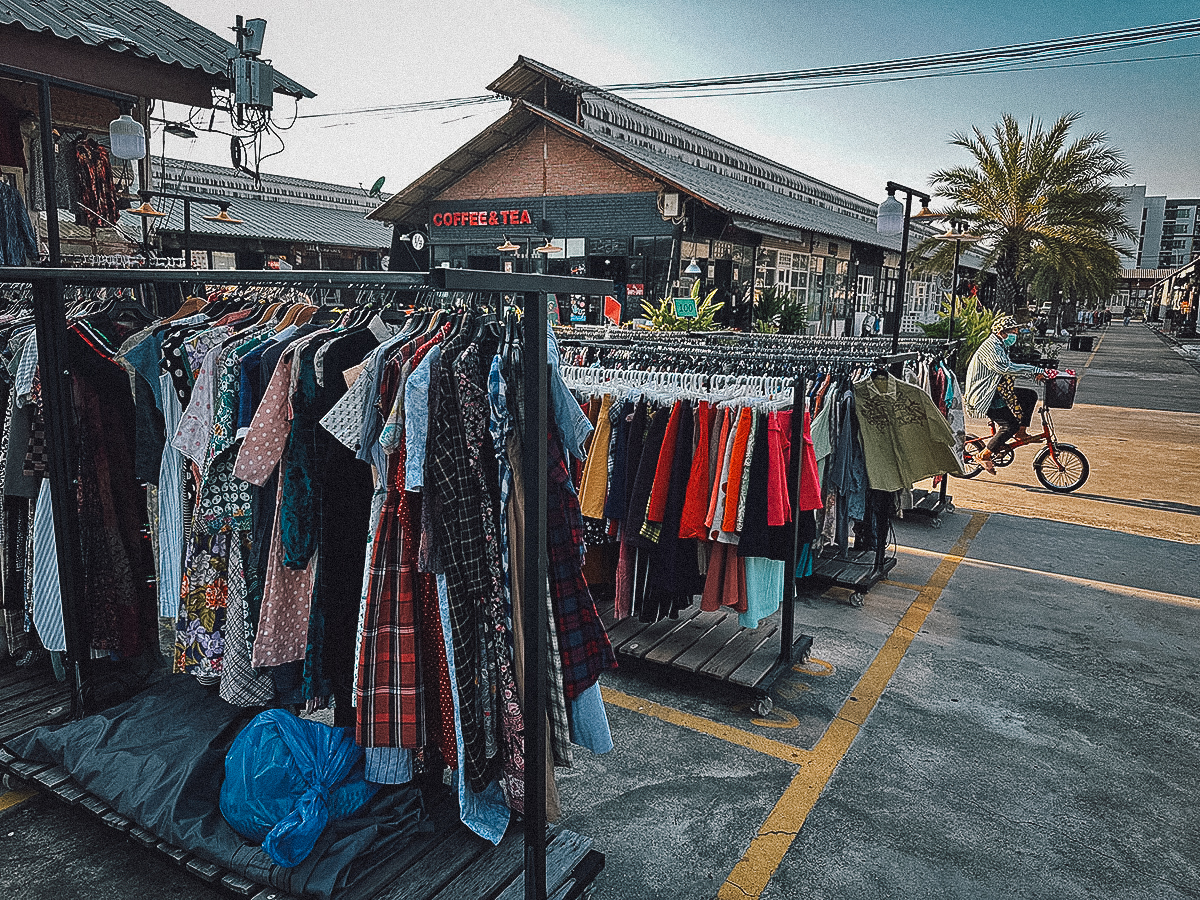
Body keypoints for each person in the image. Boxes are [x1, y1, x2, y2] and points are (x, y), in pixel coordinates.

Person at [964, 314, 1046, 474]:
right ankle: (984, 454)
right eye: (1013, 332)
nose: (1015, 335)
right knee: (1010, 425)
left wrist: (1036, 373)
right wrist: (1034, 370)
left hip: (996, 391)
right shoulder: (991, 348)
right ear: (1002, 332)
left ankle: (1021, 433)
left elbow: (1011, 366)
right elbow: (1005, 368)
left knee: (1029, 396)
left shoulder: (1001, 345)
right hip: (985, 395)